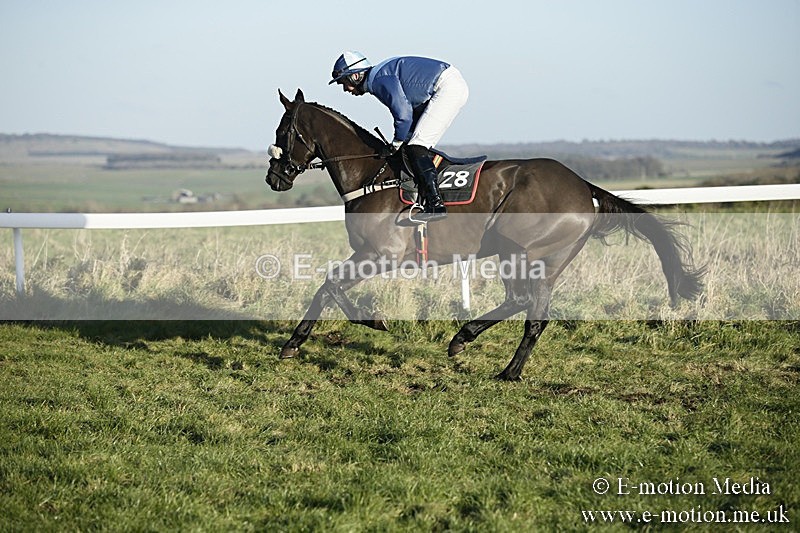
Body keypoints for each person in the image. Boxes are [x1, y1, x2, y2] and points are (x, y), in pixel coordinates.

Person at [329, 51, 469, 221]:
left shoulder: (377, 80)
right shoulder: (378, 75)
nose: (345, 89)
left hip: (446, 88)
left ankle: (435, 204)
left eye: (344, 82)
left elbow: (403, 115)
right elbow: (408, 112)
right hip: (443, 85)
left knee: (416, 146)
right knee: (410, 145)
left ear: (356, 76)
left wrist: (395, 143)